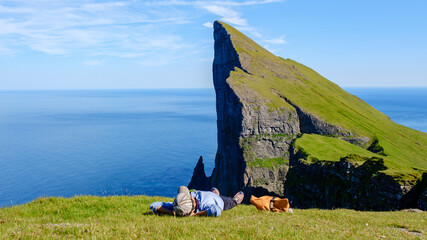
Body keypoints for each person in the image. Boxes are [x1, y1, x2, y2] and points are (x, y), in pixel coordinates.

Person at [150, 186, 244, 217]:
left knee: (211, 192)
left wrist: (171, 212)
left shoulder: (177, 204)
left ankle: (214, 193)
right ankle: (235, 201)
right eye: (190, 197)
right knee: (230, 202)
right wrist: (195, 215)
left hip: (205, 194)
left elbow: (153, 206)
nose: (191, 196)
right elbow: (216, 211)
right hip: (220, 201)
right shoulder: (205, 206)